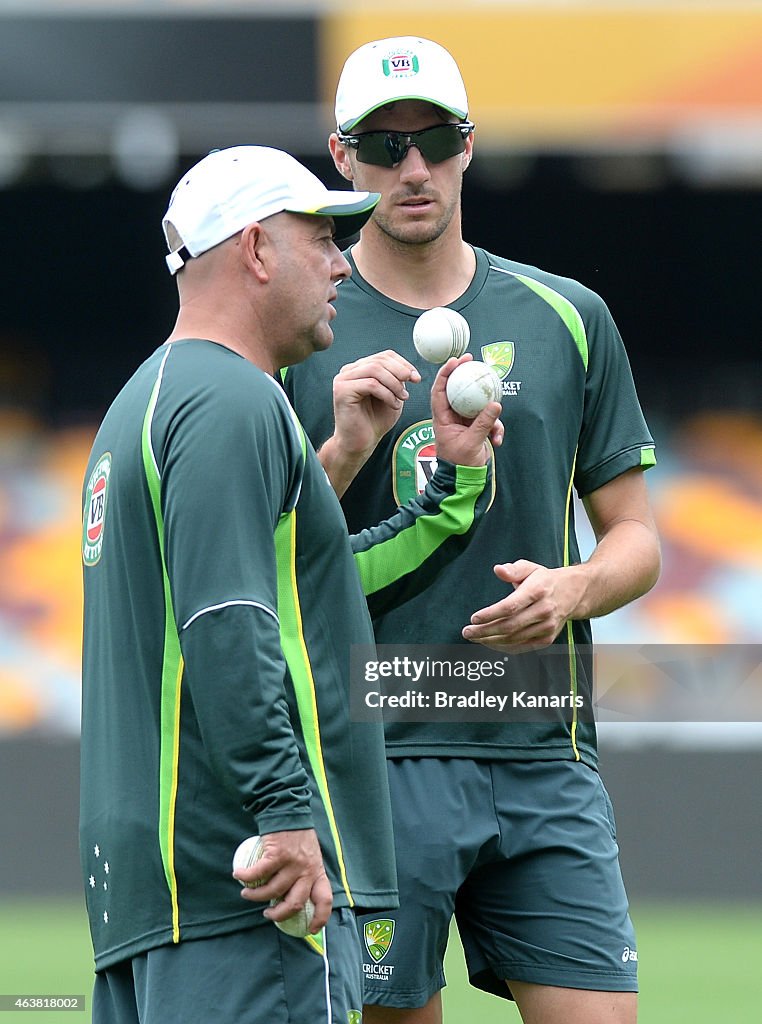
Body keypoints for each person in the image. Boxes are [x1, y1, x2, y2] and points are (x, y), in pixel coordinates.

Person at [284, 37, 662, 1024]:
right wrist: (343, 451)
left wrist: (575, 589)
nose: (411, 166)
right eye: (384, 143)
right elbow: (271, 550)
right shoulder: (300, 329)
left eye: (434, 140)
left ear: (468, 147)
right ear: (342, 156)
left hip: (544, 753)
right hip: (373, 753)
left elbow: (635, 538)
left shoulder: (568, 316)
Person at [79, 144, 502, 1024]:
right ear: (255, 249)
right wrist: (284, 812)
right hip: (249, 891)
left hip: (161, 898)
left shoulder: (141, 403)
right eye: (321, 238)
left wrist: (442, 494)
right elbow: (228, 619)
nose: (344, 260)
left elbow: (304, 593)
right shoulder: (234, 401)